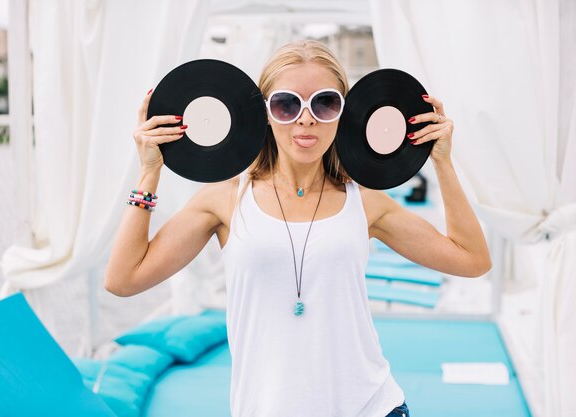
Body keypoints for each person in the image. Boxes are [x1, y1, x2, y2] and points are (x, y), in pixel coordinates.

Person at [105, 40, 491, 417]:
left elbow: (472, 259)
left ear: (343, 112)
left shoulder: (364, 200)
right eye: (287, 104)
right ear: (264, 112)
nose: (306, 118)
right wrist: (149, 172)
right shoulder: (225, 199)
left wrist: (442, 162)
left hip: (370, 406)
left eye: (324, 103)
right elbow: (124, 279)